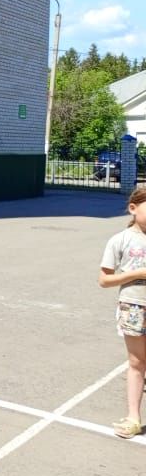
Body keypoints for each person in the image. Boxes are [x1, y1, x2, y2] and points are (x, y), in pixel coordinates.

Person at [98, 186, 146, 439]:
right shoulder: (120, 240)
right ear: (133, 208)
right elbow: (104, 280)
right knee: (137, 362)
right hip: (134, 306)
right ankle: (133, 418)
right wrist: (136, 274)